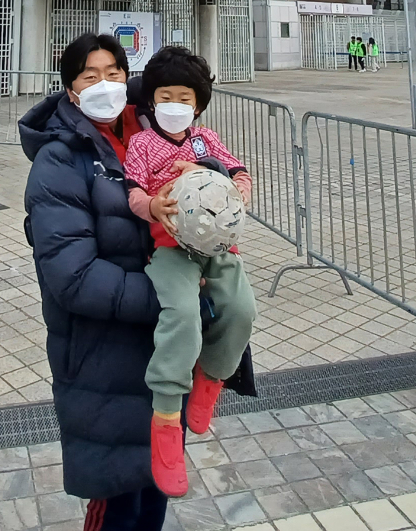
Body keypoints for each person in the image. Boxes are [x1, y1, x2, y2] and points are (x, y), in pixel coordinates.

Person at [19, 33, 256, 530]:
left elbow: (207, 170)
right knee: (118, 506)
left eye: (114, 73)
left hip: (164, 352)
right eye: (89, 76)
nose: (104, 84)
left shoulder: (155, 127)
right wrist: (173, 302)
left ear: (130, 80)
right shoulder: (60, 159)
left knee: (154, 502)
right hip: (106, 361)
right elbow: (72, 275)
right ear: (69, 89)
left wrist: (213, 176)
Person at [124, 47, 256, 497]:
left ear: (197, 103)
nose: (174, 105)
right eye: (165, 96)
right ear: (151, 100)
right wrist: (152, 206)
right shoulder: (142, 143)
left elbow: (239, 173)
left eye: (184, 97)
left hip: (217, 244)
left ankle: (211, 380)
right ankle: (165, 421)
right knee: (181, 316)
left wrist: (236, 189)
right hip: (168, 246)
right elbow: (133, 193)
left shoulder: (205, 140)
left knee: (241, 309)